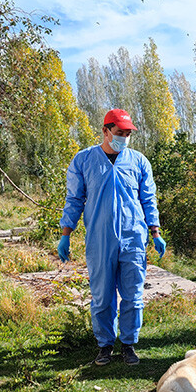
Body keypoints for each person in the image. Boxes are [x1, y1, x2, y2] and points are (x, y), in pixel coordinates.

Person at [58, 108, 166, 367]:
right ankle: (105, 345)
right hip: (100, 238)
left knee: (133, 295)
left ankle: (128, 344)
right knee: (102, 296)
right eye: (119, 133)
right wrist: (66, 234)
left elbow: (148, 199)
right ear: (105, 131)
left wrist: (155, 231)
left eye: (128, 134)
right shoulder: (84, 161)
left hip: (133, 237)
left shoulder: (138, 161)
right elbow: (74, 199)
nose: (124, 138)